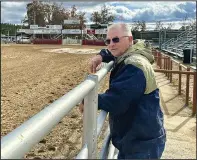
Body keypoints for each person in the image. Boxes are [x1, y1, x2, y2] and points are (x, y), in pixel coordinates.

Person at [80, 23, 166, 159]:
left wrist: (89, 98)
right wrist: (101, 56)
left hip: (141, 145)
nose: (111, 44)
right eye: (108, 41)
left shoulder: (134, 65)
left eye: (116, 39)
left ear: (130, 40)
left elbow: (117, 101)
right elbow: (113, 52)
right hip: (141, 138)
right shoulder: (130, 53)